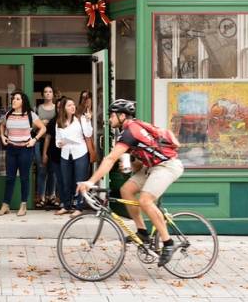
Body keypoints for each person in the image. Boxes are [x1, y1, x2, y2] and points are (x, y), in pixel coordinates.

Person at [77, 99, 183, 266]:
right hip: (151, 167)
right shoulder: (129, 131)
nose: (109, 119)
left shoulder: (130, 131)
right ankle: (142, 232)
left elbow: (110, 158)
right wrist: (132, 166)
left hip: (167, 166)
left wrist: (90, 182)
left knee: (145, 200)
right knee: (126, 190)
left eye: (111, 115)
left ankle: (168, 243)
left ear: (122, 115)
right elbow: (144, 157)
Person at [0, 91, 46, 216]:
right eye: (13, 99)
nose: (14, 100)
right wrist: (2, 136)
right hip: (11, 149)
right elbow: (2, 125)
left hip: (25, 150)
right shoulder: (8, 114)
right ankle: (5, 205)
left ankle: (23, 205)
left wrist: (34, 140)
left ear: (23, 101)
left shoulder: (30, 115)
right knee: (10, 178)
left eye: (17, 99)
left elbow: (43, 128)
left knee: (24, 178)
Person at [55, 97, 93, 216]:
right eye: (69, 105)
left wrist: (88, 121)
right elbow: (57, 140)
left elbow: (88, 134)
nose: (72, 107)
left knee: (80, 182)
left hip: (80, 153)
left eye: (73, 105)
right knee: (66, 181)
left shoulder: (81, 119)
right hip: (65, 154)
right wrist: (59, 143)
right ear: (63, 108)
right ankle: (66, 206)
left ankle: (79, 207)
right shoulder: (59, 122)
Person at [34, 84, 58, 209]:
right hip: (40, 141)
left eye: (50, 91)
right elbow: (33, 126)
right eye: (46, 92)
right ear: (42, 94)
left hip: (53, 142)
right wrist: (40, 124)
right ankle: (41, 196)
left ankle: (52, 196)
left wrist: (48, 124)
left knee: (53, 170)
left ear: (53, 94)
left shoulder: (57, 108)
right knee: (42, 169)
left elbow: (60, 123)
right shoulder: (39, 108)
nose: (48, 93)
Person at [42, 97, 65, 210]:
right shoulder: (53, 121)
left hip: (68, 154)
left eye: (62, 106)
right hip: (54, 154)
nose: (60, 108)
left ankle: (64, 200)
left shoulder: (72, 120)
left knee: (66, 178)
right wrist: (44, 153)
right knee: (57, 177)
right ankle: (57, 199)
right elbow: (47, 138)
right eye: (58, 106)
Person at [78, 90, 99, 165]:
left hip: (98, 140)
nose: (86, 99)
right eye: (83, 97)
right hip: (85, 144)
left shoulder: (97, 111)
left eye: (88, 97)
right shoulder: (79, 113)